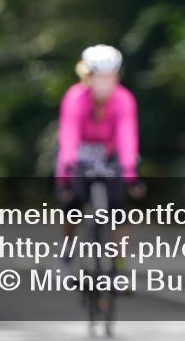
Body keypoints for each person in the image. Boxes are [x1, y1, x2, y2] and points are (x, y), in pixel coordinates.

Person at [55, 45, 143, 275]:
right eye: (98, 76)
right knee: (72, 203)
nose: (104, 82)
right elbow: (69, 134)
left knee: (119, 208)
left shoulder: (123, 99)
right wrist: (66, 171)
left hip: (110, 153)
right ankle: (68, 251)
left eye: (109, 76)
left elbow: (126, 136)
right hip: (79, 155)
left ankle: (119, 265)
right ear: (87, 76)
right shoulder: (75, 97)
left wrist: (129, 173)